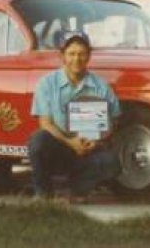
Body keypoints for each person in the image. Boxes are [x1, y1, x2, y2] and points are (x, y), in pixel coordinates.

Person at [28, 30, 121, 201]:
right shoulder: (47, 84)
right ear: (62, 56)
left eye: (81, 54)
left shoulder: (101, 86)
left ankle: (77, 191)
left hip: (88, 147)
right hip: (60, 146)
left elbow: (112, 121)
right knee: (38, 140)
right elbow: (46, 123)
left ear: (89, 56)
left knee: (112, 161)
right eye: (71, 54)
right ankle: (43, 194)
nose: (76, 59)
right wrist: (70, 142)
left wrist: (95, 141)